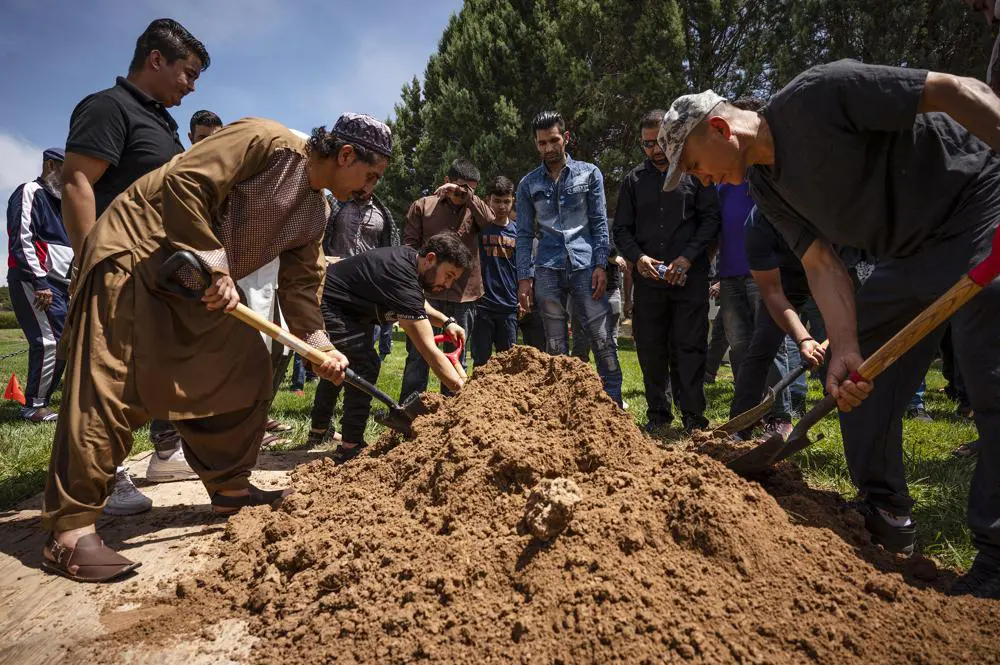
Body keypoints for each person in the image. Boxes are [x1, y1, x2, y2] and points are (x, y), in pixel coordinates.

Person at [658, 59, 1000, 597]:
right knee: (855, 382)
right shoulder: (768, 192)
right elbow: (820, 264)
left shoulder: (817, 97)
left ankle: (997, 556)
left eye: (697, 165)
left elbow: (956, 89)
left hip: (978, 207)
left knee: (991, 377)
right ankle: (885, 511)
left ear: (721, 130)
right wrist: (843, 346)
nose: (701, 179)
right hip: (905, 254)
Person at [40, 114, 390, 583]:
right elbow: (186, 183)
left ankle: (230, 487)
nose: (369, 190)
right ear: (346, 155)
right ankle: (69, 531)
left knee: (245, 365)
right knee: (110, 380)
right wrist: (216, 266)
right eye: (369, 176)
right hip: (138, 253)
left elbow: (303, 284)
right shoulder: (267, 142)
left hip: (197, 281)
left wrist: (318, 345)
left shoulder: (317, 212)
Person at [62, 18, 210, 506]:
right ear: (155, 60)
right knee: (106, 377)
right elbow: (78, 184)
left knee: (155, 369)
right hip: (114, 265)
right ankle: (102, 477)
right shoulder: (109, 107)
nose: (191, 86)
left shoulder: (164, 124)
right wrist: (91, 264)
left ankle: (164, 453)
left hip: (157, 272)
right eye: (187, 73)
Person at [312, 232, 471, 462]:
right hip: (332, 303)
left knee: (341, 363)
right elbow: (428, 350)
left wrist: (445, 322)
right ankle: (351, 445)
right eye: (448, 275)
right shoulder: (402, 275)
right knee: (363, 365)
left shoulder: (410, 262)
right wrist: (462, 390)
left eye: (453, 279)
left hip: (350, 309)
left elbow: (417, 302)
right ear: (431, 259)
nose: (447, 284)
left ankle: (319, 429)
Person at [614, 109, 720, 431]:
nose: (655, 150)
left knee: (690, 347)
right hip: (650, 282)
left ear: (673, 137)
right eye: (647, 145)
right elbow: (621, 230)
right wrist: (638, 258)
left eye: (660, 142)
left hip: (689, 279)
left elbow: (711, 220)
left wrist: (687, 258)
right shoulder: (633, 181)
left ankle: (692, 417)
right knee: (651, 348)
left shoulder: (696, 172)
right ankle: (658, 415)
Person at [515, 111, 623, 406]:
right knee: (555, 343)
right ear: (536, 144)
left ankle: (613, 402)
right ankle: (560, 407)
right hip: (547, 268)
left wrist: (601, 264)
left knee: (602, 337)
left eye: (553, 140)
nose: (548, 148)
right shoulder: (528, 184)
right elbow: (524, 234)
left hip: (586, 265)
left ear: (566, 138)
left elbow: (600, 223)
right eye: (541, 143)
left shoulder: (590, 173)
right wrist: (524, 278)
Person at [306, 187, 399, 446]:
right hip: (334, 288)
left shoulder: (382, 213)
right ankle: (329, 431)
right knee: (336, 356)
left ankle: (324, 429)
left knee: (348, 360)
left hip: (365, 296)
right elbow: (316, 240)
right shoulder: (336, 206)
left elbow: (385, 250)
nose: (367, 185)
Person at [728, 207, 829, 439]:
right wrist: (804, 337)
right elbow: (773, 291)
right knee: (761, 349)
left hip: (835, 270)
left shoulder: (829, 205)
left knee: (847, 351)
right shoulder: (758, 222)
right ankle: (737, 429)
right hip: (788, 280)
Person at [5, 149, 71, 423]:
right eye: (67, 169)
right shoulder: (30, 191)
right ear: (50, 165)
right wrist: (40, 280)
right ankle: (33, 406)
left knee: (65, 342)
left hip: (61, 285)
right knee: (48, 341)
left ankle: (43, 398)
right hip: (34, 281)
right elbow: (22, 238)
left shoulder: (65, 203)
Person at [471, 176, 519, 367]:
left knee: (508, 363)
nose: (502, 206)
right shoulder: (478, 229)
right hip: (482, 306)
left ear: (512, 201)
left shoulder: (518, 232)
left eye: (506, 201)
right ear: (487, 200)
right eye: (497, 201)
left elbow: (523, 268)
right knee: (481, 361)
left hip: (508, 307)